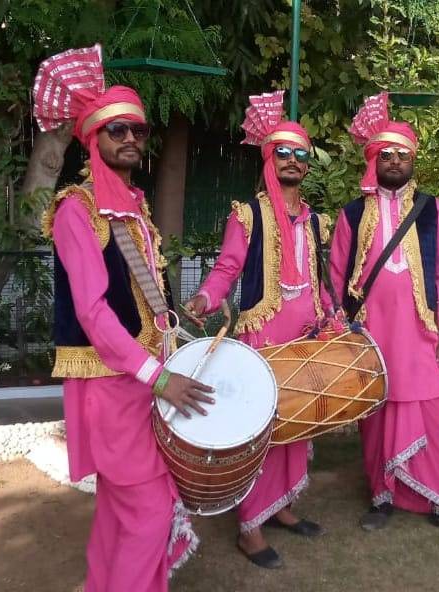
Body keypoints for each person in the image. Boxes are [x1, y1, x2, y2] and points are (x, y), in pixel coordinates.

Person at [37, 44, 209, 591]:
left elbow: (140, 299)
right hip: (112, 389)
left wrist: (178, 333)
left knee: (121, 508)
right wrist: (160, 377)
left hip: (142, 381)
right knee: (148, 512)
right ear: (92, 139)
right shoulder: (76, 210)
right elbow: (91, 311)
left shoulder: (132, 205)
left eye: (137, 129)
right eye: (118, 131)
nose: (131, 138)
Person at [328, 92, 439, 540]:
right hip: (372, 334)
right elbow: (338, 274)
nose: (394, 161)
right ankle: (383, 496)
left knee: (429, 414)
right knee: (376, 414)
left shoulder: (434, 210)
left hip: (422, 333)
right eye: (386, 154)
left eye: (402, 154)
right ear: (373, 160)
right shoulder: (353, 213)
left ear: (412, 160)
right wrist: (342, 330)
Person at [185, 91, 329, 569]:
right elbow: (228, 266)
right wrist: (207, 296)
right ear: (270, 157)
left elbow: (320, 279)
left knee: (299, 427)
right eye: (282, 151)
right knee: (262, 432)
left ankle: (284, 507)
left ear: (307, 165)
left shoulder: (314, 221)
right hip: (262, 339)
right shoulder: (247, 212)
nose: (291, 160)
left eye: (300, 153)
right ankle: (249, 527)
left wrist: (333, 316)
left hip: (307, 337)